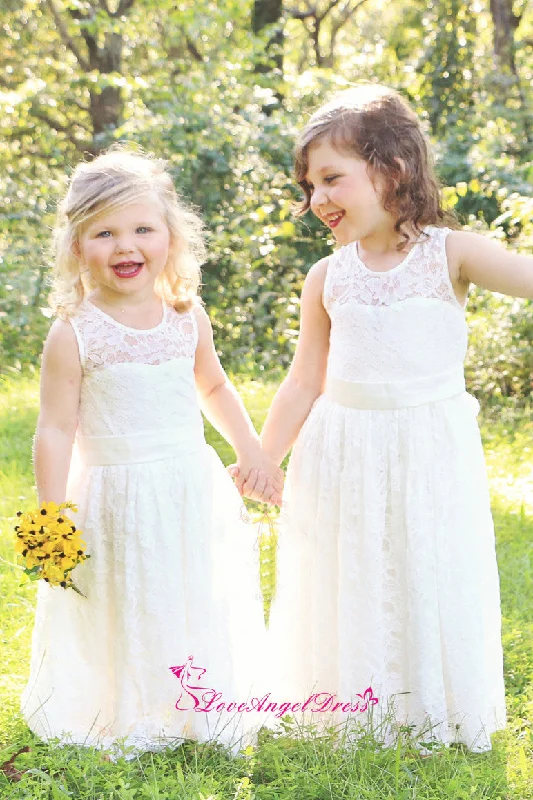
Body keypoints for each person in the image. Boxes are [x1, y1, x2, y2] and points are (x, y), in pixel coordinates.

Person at [241, 84, 533, 752]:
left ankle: (428, 703)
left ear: (392, 170)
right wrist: (263, 456)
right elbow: (301, 380)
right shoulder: (326, 276)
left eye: (330, 179)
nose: (316, 199)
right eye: (308, 185)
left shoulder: (449, 253)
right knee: (351, 573)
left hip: (428, 446)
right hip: (343, 446)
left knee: (425, 568)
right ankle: (349, 706)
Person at [21, 148, 282, 758]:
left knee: (191, 590)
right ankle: (130, 708)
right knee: (126, 596)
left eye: (142, 228)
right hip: (114, 492)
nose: (125, 245)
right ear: (77, 246)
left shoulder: (186, 317)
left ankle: (197, 705)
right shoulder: (75, 331)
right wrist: (51, 515)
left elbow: (212, 386)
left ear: (170, 235)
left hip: (189, 485)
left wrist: (252, 451)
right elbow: (56, 429)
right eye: (104, 233)